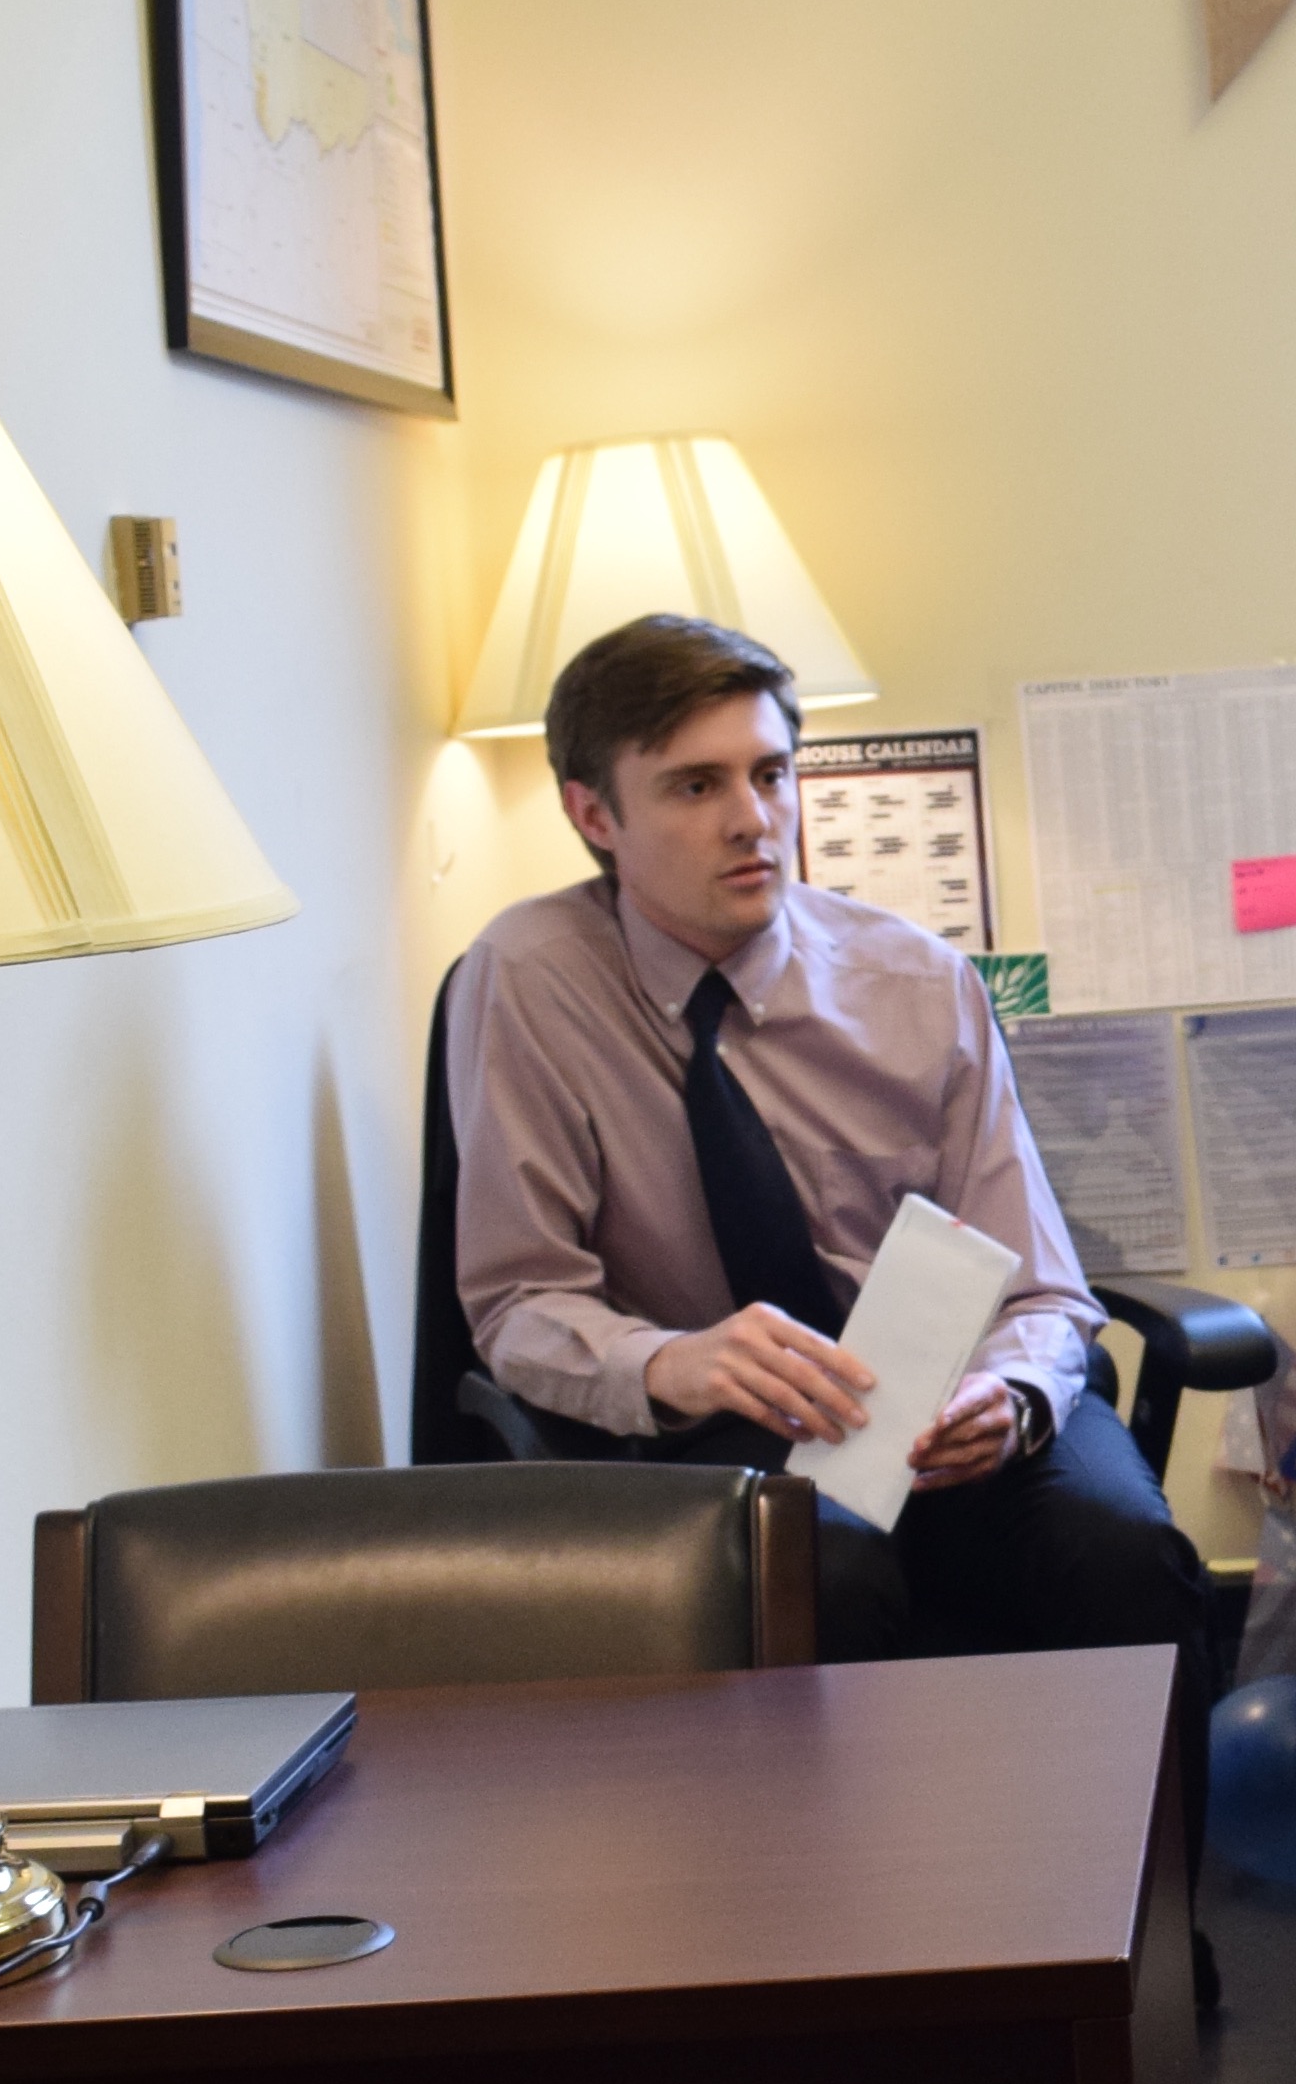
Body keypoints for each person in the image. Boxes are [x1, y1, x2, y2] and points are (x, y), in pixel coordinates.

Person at [443, 609, 1203, 1666]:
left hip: (945, 1404)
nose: (754, 820)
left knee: (1123, 1556)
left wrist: (1015, 1395)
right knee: (816, 1574)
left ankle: (1155, 1792)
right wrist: (672, 1362)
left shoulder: (918, 982)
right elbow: (519, 1300)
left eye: (771, 774)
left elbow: (1039, 1287)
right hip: (713, 1421)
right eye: (696, 786)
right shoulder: (531, 979)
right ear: (593, 814)